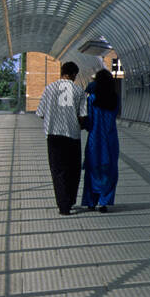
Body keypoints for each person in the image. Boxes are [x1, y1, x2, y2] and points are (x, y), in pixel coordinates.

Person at [36, 61, 87, 215]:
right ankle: (70, 200)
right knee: (73, 170)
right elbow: (83, 116)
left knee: (57, 170)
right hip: (72, 136)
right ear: (73, 75)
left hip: (54, 136)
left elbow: (40, 113)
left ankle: (62, 205)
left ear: (61, 72)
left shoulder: (49, 89)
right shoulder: (79, 91)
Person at [81, 67, 120, 211]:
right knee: (109, 171)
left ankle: (91, 202)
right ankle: (104, 202)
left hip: (95, 139)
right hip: (110, 139)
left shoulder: (92, 99)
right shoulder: (114, 98)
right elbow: (115, 114)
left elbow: (89, 120)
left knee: (93, 170)